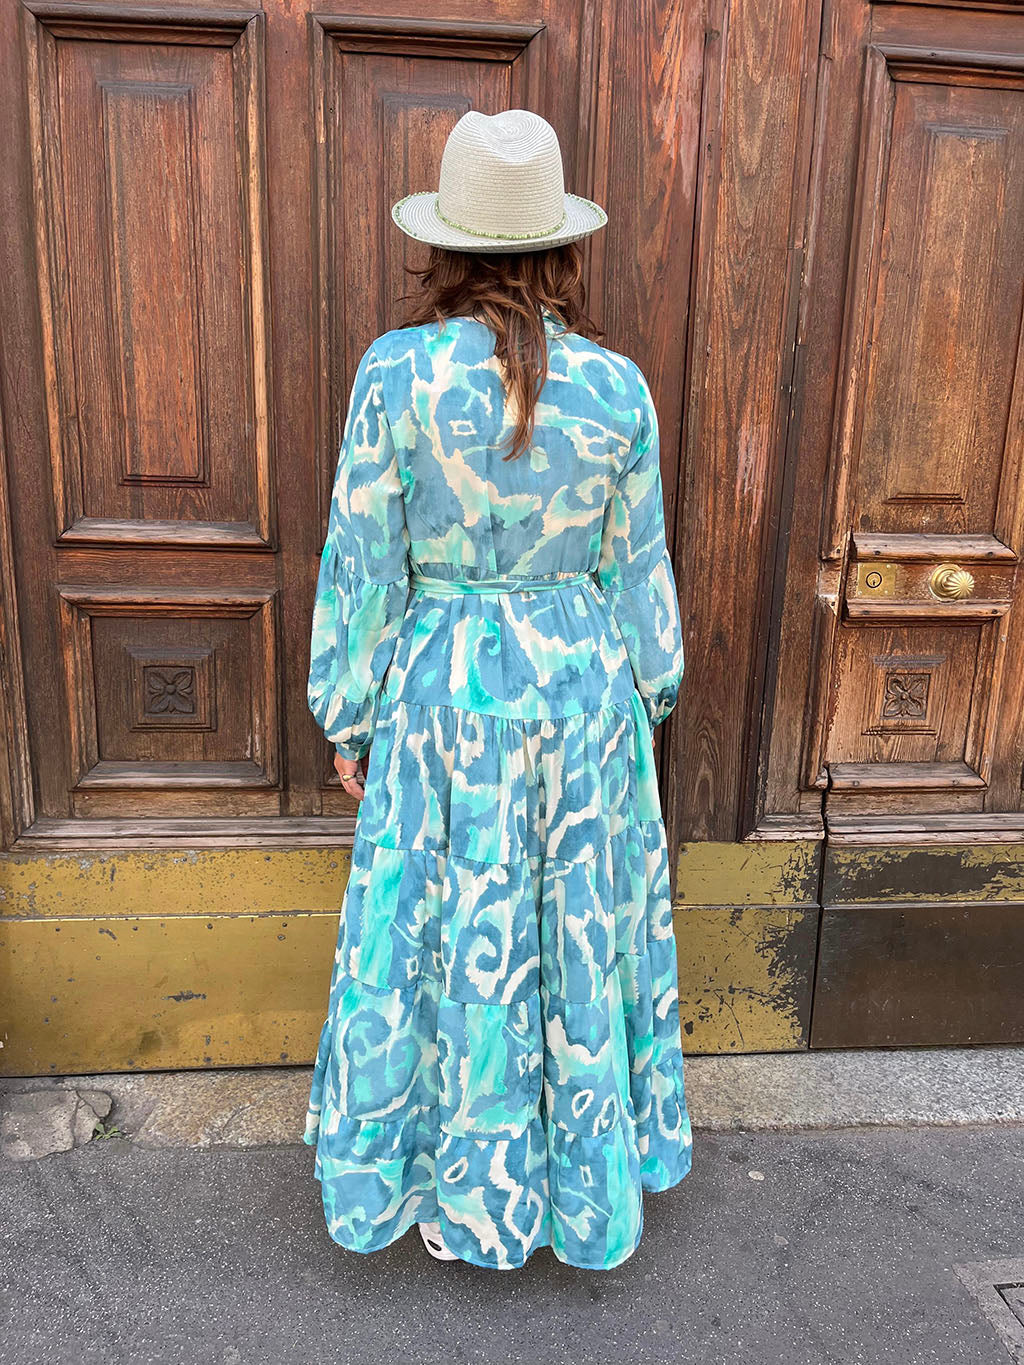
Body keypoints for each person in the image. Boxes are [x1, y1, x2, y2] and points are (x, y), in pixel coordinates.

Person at [302, 108, 692, 1271]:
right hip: (580, 690)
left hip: (443, 691)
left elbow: (362, 559)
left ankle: (451, 1184)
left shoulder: (396, 373)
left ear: (446, 244)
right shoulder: (617, 388)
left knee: (444, 936)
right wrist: (649, 697)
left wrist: (349, 711)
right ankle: (573, 1185)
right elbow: (639, 570)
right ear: (561, 245)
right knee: (570, 932)